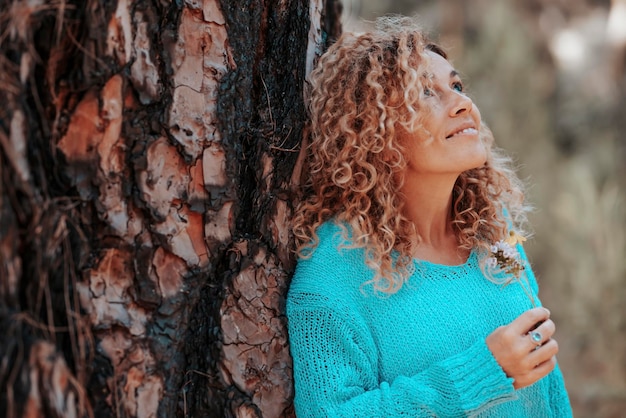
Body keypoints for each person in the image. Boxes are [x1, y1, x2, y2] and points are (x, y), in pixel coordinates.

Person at [286, 16, 572, 417]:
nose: (463, 103)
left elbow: (546, 388)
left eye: (456, 86)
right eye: (424, 92)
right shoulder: (334, 274)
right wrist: (485, 373)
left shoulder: (493, 231)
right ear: (374, 132)